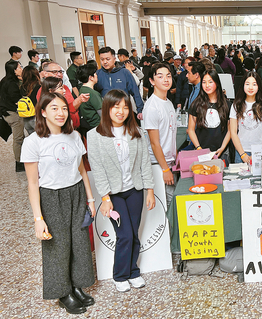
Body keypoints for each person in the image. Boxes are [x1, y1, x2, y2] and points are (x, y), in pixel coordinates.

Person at [21, 92, 96, 314]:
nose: (61, 113)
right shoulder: (33, 142)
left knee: (79, 243)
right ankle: (63, 293)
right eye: (54, 108)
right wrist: (38, 219)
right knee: (58, 246)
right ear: (43, 112)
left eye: (64, 108)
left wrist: (90, 199)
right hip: (51, 197)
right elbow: (33, 184)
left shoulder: (73, 136)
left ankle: (76, 285)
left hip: (76, 193)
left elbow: (81, 170)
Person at [87, 89, 155, 292]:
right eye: (116, 107)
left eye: (125, 107)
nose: (121, 111)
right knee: (124, 234)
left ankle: (133, 271)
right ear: (107, 108)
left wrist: (149, 189)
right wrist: (105, 197)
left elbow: (144, 163)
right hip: (114, 193)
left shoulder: (137, 132)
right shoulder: (95, 135)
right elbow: (97, 169)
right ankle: (120, 275)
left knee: (133, 233)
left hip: (134, 190)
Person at [143, 63, 177, 206]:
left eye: (168, 76)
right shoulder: (152, 107)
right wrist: (165, 169)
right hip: (159, 165)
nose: (166, 80)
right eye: (160, 76)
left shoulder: (168, 102)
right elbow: (154, 143)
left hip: (169, 162)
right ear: (152, 81)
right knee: (168, 205)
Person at [229, 71, 262, 164]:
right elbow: (233, 132)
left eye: (254, 84)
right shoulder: (236, 105)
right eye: (247, 84)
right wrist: (242, 154)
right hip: (241, 151)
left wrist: (257, 154)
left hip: (261, 150)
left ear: (258, 87)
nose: (250, 87)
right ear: (243, 86)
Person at [187, 69, 231, 160]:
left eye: (210, 82)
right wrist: (199, 148)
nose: (207, 85)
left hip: (222, 151)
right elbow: (190, 130)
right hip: (201, 151)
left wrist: (222, 148)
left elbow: (231, 130)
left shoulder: (227, 105)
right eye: (204, 82)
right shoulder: (196, 104)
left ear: (217, 83)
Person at [95, 47, 144, 119]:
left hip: (124, 112)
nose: (105, 62)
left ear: (114, 59)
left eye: (108, 59)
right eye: (102, 59)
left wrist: (140, 110)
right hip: (107, 114)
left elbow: (135, 92)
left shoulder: (124, 72)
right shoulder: (97, 74)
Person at [0, 61, 24, 171]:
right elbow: (17, 101)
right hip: (13, 114)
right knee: (18, 138)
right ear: (14, 70)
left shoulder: (4, 80)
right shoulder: (11, 84)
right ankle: (19, 162)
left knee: (19, 137)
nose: (21, 68)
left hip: (6, 112)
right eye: (20, 67)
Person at [76, 64, 103, 130]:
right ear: (91, 77)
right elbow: (102, 113)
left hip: (88, 124)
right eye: (95, 74)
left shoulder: (82, 89)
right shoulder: (93, 93)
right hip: (98, 126)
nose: (97, 76)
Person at [20, 66, 41, 134]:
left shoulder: (22, 87)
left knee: (32, 138)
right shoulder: (39, 87)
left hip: (26, 117)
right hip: (36, 116)